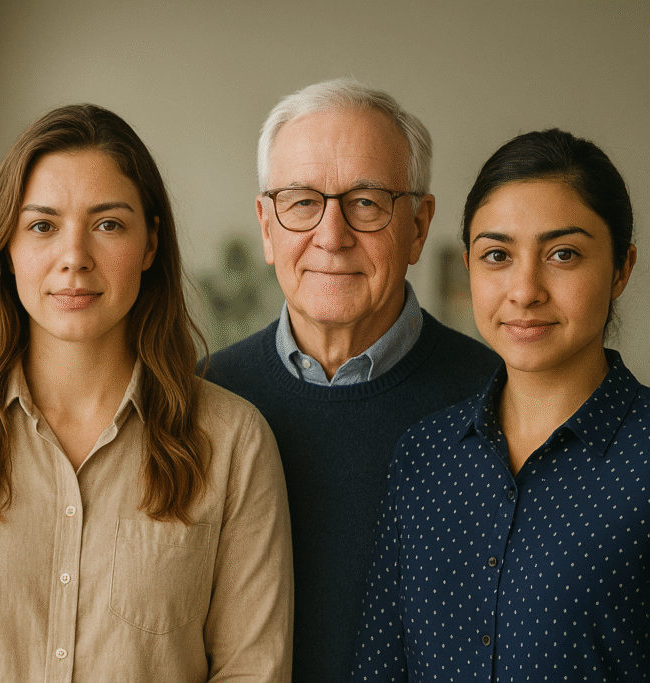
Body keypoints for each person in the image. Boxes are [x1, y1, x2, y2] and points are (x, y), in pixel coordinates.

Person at [0, 104, 294, 682]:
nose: (74, 258)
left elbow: (251, 670)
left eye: (108, 224)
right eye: (42, 225)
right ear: (6, 247)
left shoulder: (233, 442)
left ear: (151, 243)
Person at [202, 78, 500, 682]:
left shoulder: (498, 396)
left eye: (366, 202)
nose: (332, 236)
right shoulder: (204, 399)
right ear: (266, 226)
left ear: (418, 226)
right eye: (302, 201)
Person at [353, 128, 646, 681]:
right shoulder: (423, 458)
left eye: (563, 254)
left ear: (621, 269)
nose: (524, 289)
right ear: (469, 266)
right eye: (497, 255)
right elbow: (379, 668)